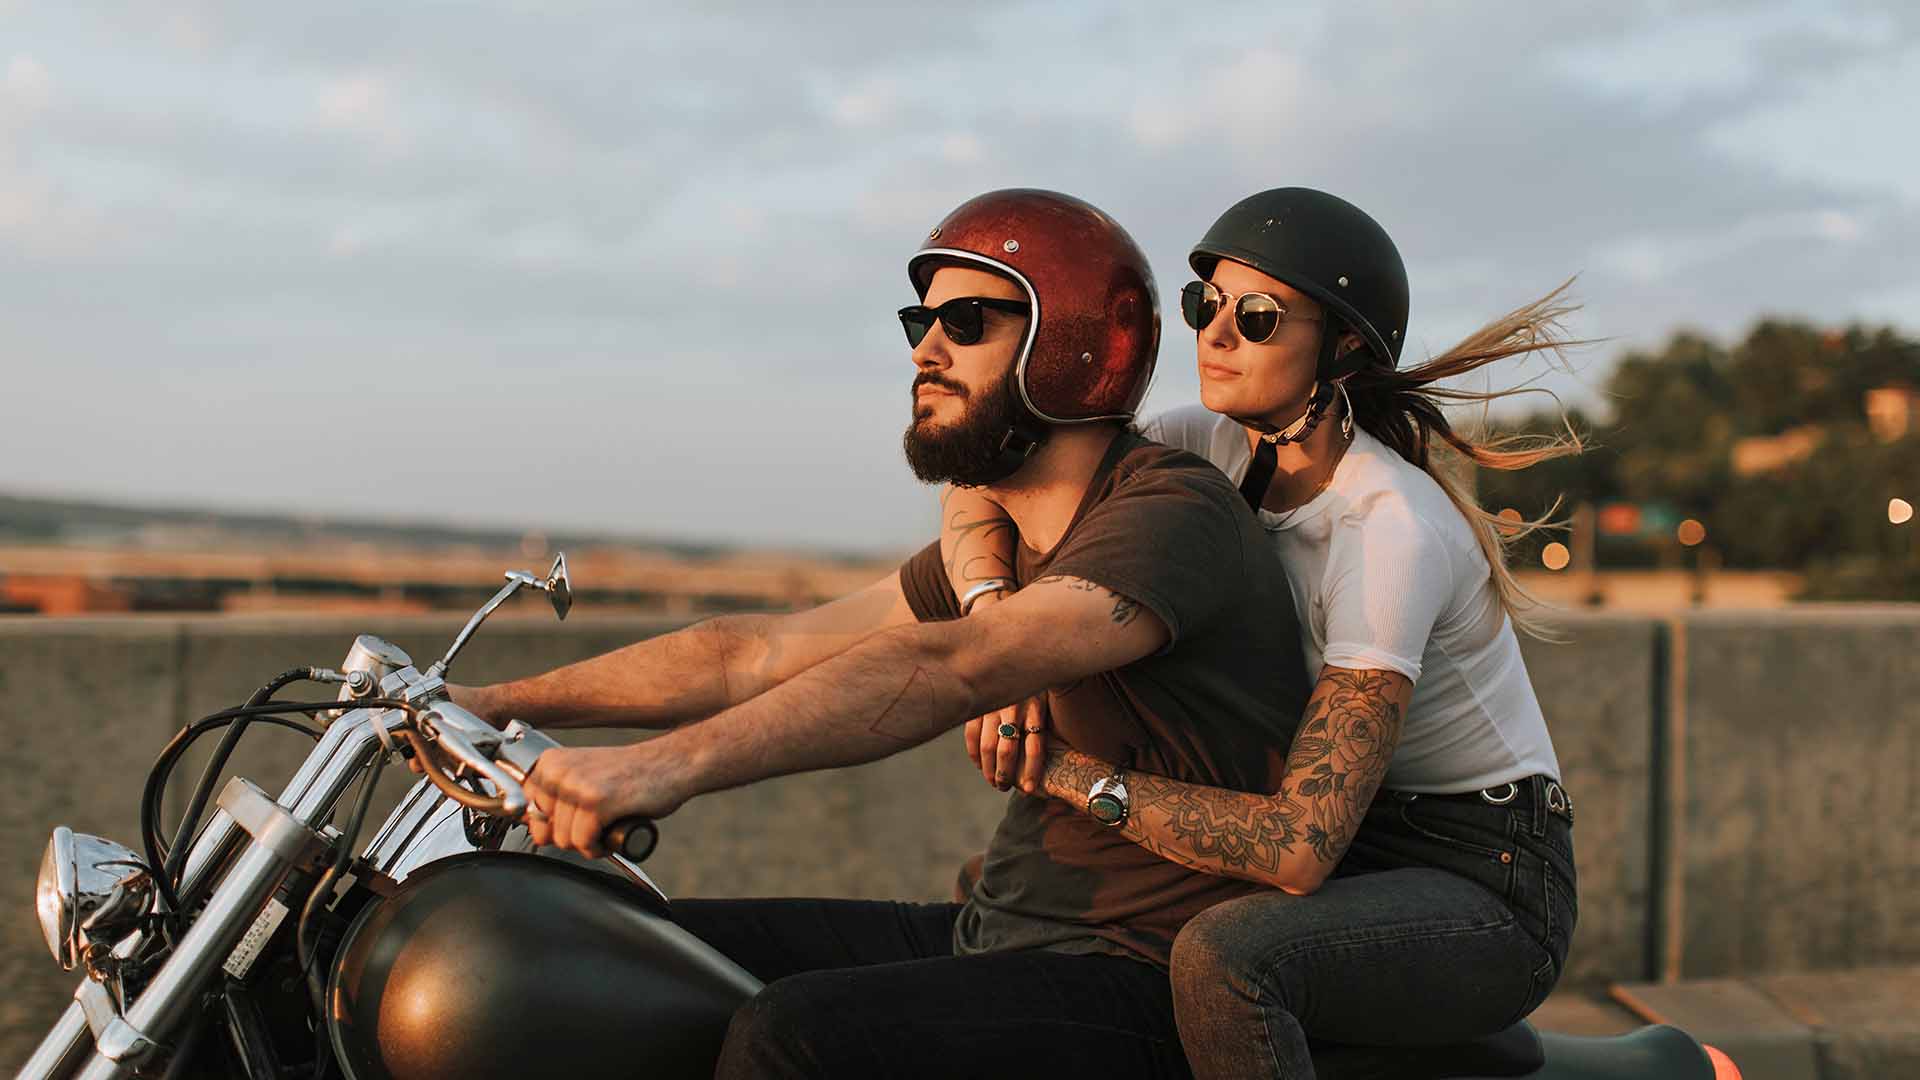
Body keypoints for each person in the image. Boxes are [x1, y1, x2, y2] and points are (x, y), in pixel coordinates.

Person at [451, 188, 1317, 1078]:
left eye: (967, 320)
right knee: (608, 949)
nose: (925, 349)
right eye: (919, 321)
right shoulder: (1005, 538)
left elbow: (955, 667)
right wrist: (480, 703)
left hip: (1136, 977)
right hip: (995, 931)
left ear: (1073, 341)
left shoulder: (1170, 513)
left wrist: (661, 767)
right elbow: (755, 653)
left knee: (795, 1035)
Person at [940, 187, 1582, 1078]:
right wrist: (993, 624)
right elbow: (993, 459)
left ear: (1345, 345)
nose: (1216, 333)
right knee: (1011, 901)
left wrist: (1069, 776)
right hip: (1357, 842)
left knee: (1227, 962)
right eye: (1207, 306)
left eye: (1258, 315)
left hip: (1482, 874)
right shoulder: (1202, 444)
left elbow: (1297, 844)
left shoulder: (1386, 527)